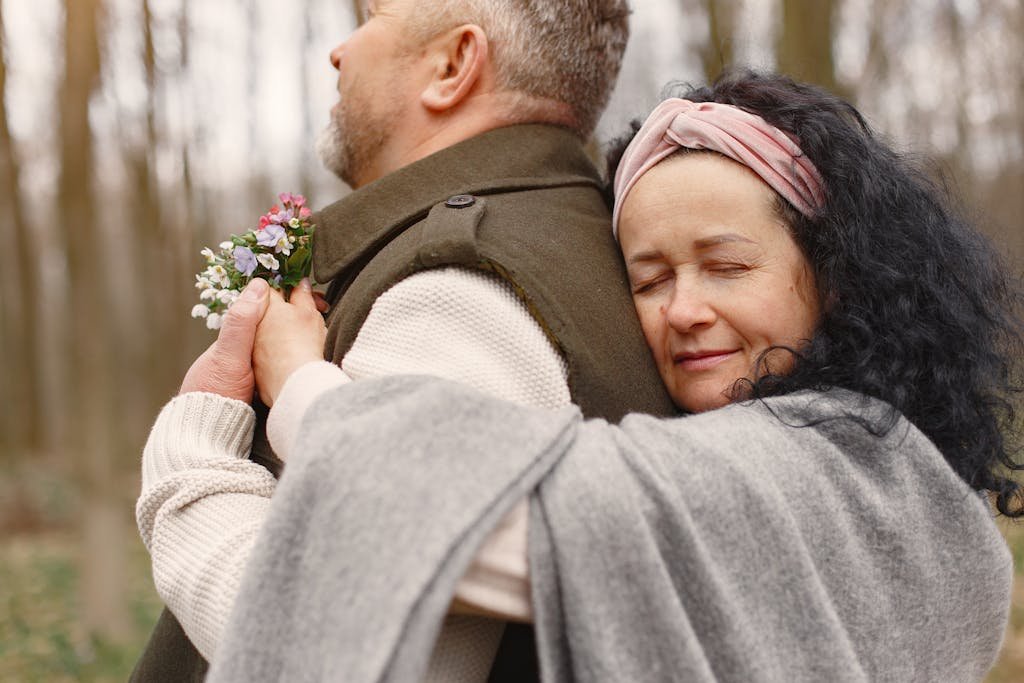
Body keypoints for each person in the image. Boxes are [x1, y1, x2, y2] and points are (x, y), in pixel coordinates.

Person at [145, 70, 1020, 680]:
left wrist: (261, 406)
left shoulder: (822, 465)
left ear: (836, 275)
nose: (683, 309)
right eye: (650, 278)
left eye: (725, 265)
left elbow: (470, 526)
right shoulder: (901, 468)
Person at [132, 1, 677, 681]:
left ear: (453, 65)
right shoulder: (566, 232)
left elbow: (335, 655)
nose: (339, 51)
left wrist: (192, 457)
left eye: (372, 15)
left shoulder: (460, 287)